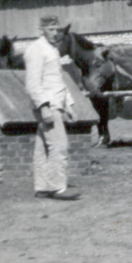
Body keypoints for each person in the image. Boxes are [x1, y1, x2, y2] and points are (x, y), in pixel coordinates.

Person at [25, 16, 80, 200]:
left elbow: (59, 80)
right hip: (47, 105)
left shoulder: (52, 50)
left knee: (42, 148)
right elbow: (33, 83)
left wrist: (69, 104)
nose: (55, 33)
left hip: (56, 103)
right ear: (41, 31)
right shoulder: (36, 50)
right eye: (51, 29)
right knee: (59, 145)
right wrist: (43, 107)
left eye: (57, 29)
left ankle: (42, 187)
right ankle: (58, 188)